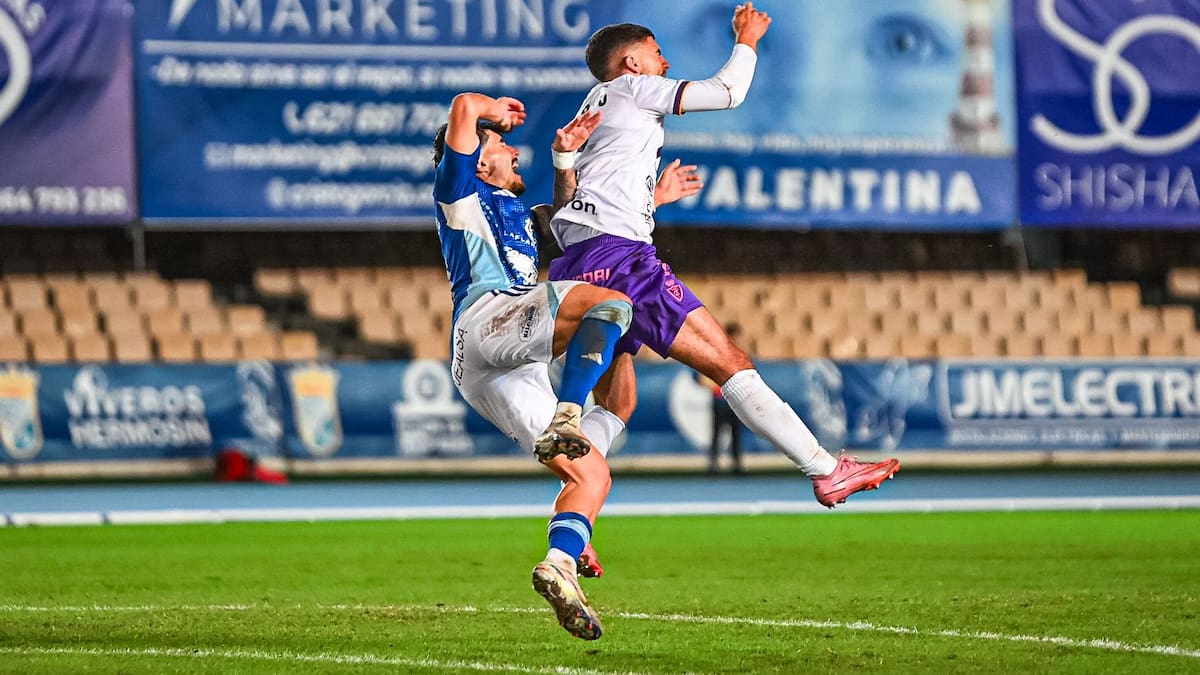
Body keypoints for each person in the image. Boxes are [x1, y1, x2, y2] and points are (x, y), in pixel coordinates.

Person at [547, 3, 901, 507]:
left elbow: (572, 206)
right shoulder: (633, 89)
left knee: (618, 403)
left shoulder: (592, 108)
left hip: (577, 263)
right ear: (631, 64)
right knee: (729, 362)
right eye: (657, 53)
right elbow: (728, 93)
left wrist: (651, 200)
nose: (664, 64)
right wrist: (747, 38)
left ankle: (573, 516)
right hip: (623, 260)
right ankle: (825, 468)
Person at [432, 92, 701, 639]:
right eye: (501, 144)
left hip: (492, 367)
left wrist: (637, 192)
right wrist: (489, 111)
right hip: (490, 316)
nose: (511, 148)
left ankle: (560, 558)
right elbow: (462, 106)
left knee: (594, 466)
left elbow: (575, 225)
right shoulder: (459, 192)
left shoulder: (526, 218)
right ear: (479, 161)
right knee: (613, 304)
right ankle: (569, 413)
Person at [698, 322, 747, 475]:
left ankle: (736, 465)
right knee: (718, 433)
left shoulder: (738, 353)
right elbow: (703, 378)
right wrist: (718, 386)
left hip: (734, 398)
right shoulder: (718, 352)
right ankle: (715, 465)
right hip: (721, 399)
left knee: (735, 433)